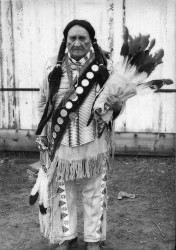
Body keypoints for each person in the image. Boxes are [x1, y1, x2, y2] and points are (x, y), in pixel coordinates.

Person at [34, 19, 124, 250]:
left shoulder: (104, 67)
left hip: (94, 141)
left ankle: (93, 239)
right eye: (72, 38)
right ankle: (68, 236)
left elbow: (118, 103)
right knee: (64, 191)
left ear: (91, 41)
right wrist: (43, 133)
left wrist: (111, 109)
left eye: (82, 38)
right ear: (66, 41)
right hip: (61, 142)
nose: (76, 42)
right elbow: (43, 102)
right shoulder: (52, 67)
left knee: (95, 191)